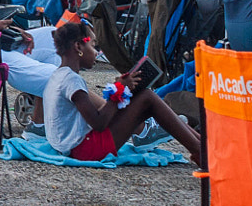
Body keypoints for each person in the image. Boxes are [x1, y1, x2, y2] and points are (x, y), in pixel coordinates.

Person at [41, 20, 203, 163]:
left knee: (143, 98)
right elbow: (98, 123)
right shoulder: (72, 80)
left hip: (75, 146)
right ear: (78, 47)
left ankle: (201, 145)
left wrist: (123, 90)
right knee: (148, 97)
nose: (97, 52)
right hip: (85, 150)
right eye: (93, 46)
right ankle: (200, 151)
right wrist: (119, 89)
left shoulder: (60, 75)